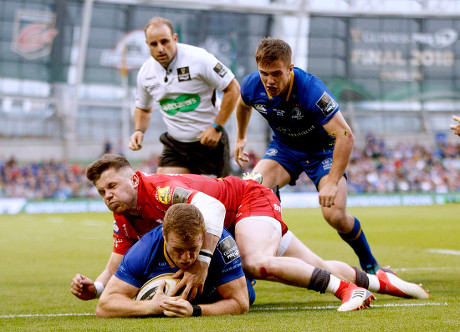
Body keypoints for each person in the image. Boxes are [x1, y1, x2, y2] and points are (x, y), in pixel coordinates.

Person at [71, 154, 429, 313]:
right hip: (239, 218)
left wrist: (203, 263)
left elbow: (212, 208)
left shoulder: (163, 190)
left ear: (133, 179)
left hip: (247, 200)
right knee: (318, 267)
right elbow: (117, 262)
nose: (108, 196)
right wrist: (98, 288)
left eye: (112, 186)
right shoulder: (125, 215)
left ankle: (350, 292)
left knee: (256, 262)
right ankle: (382, 282)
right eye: (102, 192)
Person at [234, 37, 382, 274]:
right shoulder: (252, 85)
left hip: (322, 152)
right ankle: (253, 261)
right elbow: (242, 105)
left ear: (290, 69)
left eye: (276, 74)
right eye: (264, 73)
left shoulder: (311, 90)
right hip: (285, 149)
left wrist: (332, 182)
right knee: (251, 190)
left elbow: (346, 135)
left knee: (334, 216)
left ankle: (370, 263)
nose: (269, 81)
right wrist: (241, 137)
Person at [96, 203, 253, 318]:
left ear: (203, 234)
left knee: (248, 291)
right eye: (178, 250)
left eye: (192, 249)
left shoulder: (222, 245)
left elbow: (240, 303)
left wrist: (195, 310)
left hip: (220, 291)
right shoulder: (144, 249)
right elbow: (104, 306)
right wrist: (150, 306)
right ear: (164, 235)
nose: (186, 258)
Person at [128, 16, 240, 177]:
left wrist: (217, 127)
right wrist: (138, 130)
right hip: (175, 146)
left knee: (215, 200)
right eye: (154, 44)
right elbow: (144, 109)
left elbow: (233, 88)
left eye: (164, 41)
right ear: (147, 45)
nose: (160, 48)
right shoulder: (145, 74)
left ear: (175, 38)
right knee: (167, 192)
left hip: (209, 143)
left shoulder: (200, 59)